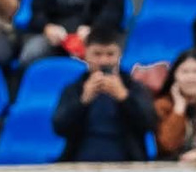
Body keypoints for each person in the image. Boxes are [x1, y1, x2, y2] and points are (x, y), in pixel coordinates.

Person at [50, 24, 158, 162]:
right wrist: (83, 101)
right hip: (80, 165)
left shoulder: (134, 88)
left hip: (128, 166)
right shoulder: (74, 89)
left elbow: (150, 124)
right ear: (86, 54)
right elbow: (59, 127)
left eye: (110, 54)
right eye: (97, 54)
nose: (104, 61)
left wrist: (124, 98)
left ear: (120, 55)